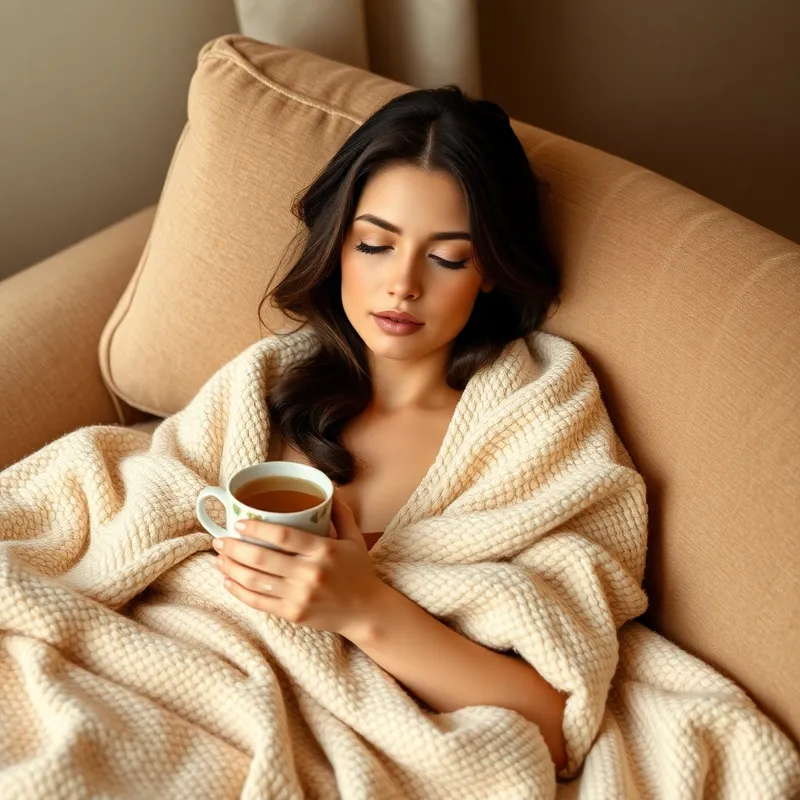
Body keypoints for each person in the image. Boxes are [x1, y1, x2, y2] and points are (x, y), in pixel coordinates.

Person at [210, 85, 568, 772]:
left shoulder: (532, 429)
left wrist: (363, 607)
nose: (403, 284)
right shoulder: (262, 384)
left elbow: (556, 725)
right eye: (374, 244)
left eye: (448, 258)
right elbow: (131, 517)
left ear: (491, 270)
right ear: (338, 244)